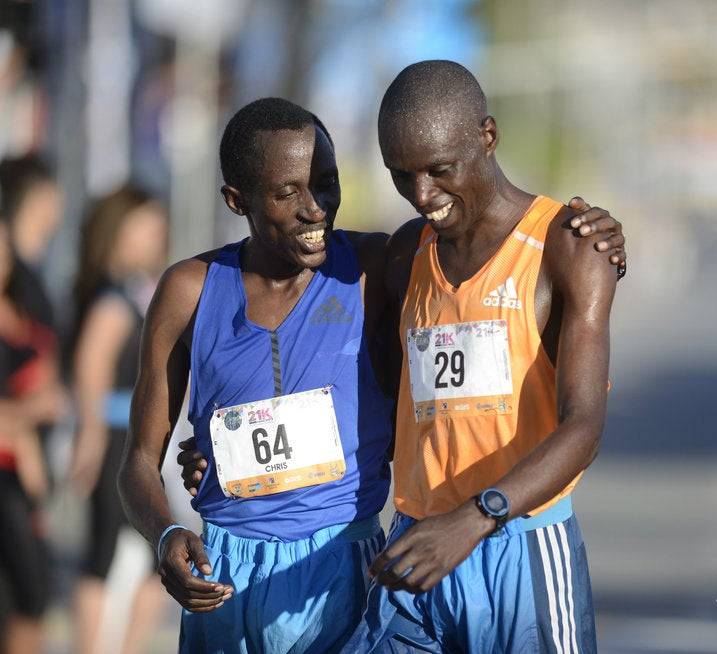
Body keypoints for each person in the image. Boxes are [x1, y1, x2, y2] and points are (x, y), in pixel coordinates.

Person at [123, 97, 624, 653]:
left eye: (326, 184)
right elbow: (140, 459)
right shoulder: (190, 291)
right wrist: (170, 526)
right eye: (288, 193)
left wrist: (591, 236)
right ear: (237, 201)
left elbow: (480, 251)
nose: (315, 209)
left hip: (348, 559)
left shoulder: (374, 266)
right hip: (227, 571)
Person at [342, 60, 616, 652]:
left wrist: (475, 517)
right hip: (417, 549)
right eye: (401, 176)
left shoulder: (568, 245)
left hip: (519, 548)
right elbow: (379, 397)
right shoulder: (404, 255)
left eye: (441, 170)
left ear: (487, 136)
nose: (422, 195)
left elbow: (584, 427)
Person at [69, 185, 169, 654]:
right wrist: (90, 438)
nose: (156, 237)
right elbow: (90, 364)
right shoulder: (113, 297)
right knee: (105, 557)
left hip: (128, 437)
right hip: (115, 440)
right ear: (120, 231)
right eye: (146, 228)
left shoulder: (131, 288)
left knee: (153, 557)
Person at [0, 219, 66, 654]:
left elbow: (53, 391)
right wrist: (25, 418)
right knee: (28, 594)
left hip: (26, 475)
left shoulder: (23, 305)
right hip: (8, 470)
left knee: (31, 594)